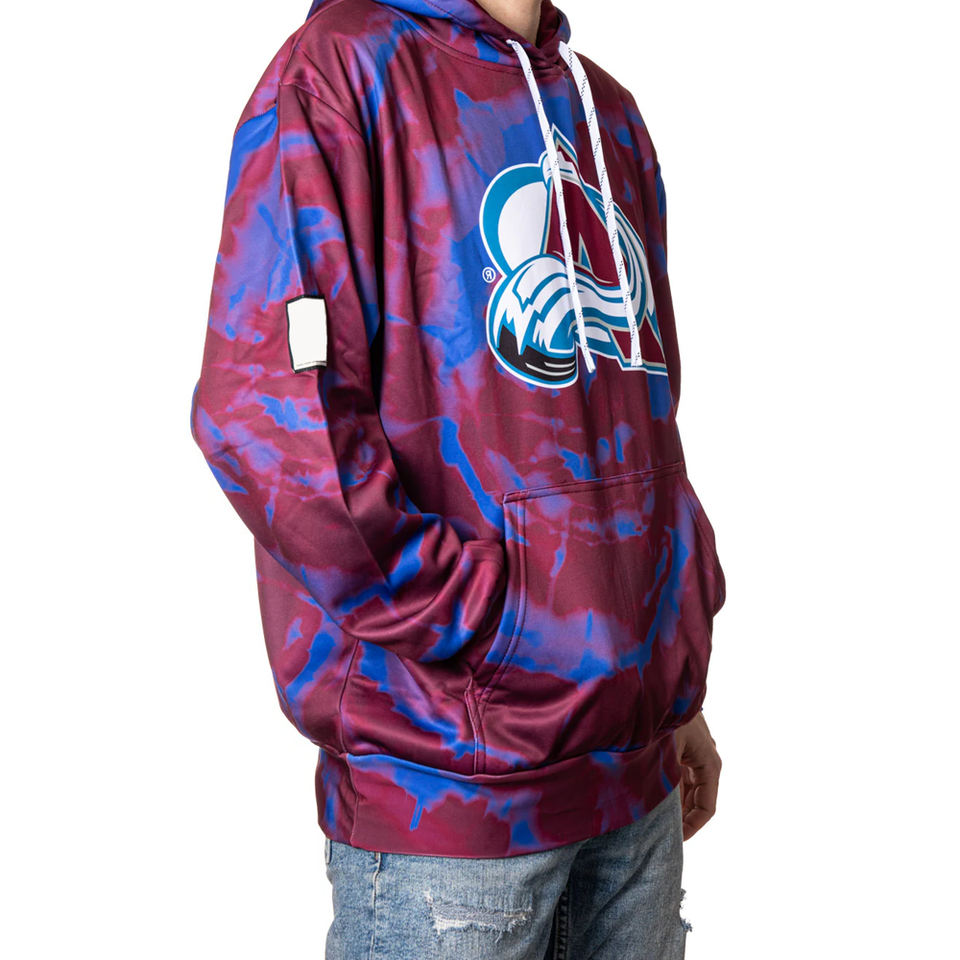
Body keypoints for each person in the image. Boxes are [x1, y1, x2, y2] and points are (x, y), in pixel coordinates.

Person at [189, 0, 726, 955]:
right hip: (449, 799)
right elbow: (267, 422)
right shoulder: (342, 74)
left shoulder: (606, 113)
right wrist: (489, 626)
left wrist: (671, 687)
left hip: (635, 786)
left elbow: (643, 416)